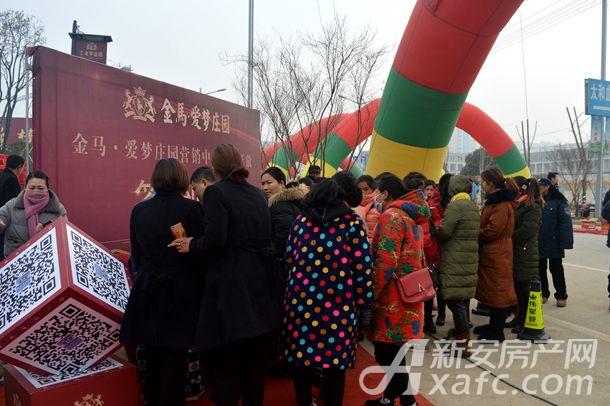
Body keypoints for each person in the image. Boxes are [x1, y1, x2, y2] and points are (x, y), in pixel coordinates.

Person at [170, 144, 279, 406]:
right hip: (259, 284)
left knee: (227, 364)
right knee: (254, 365)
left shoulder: (216, 192)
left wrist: (192, 244)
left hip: (231, 288)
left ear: (215, 167)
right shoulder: (257, 194)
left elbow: (216, 239)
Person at [280, 177, 373, 406]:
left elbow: (288, 259)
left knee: (301, 360)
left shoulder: (301, 222)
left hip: (300, 303)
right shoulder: (351, 223)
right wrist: (365, 303)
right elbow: (363, 268)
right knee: (335, 364)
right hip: (339, 306)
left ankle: (304, 402)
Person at [120, 159, 205, 406]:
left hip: (148, 290)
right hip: (181, 291)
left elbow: (136, 256)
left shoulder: (139, 210)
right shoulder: (193, 209)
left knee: (151, 355)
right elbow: (201, 253)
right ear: (182, 179)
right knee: (175, 359)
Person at [366, 174, 429, 406]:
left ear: (386, 193)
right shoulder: (410, 215)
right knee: (395, 355)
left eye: (376, 191)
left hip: (392, 297)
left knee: (386, 353)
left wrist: (370, 293)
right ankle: (405, 401)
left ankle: (393, 398)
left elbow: (386, 261)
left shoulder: (391, 216)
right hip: (409, 292)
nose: (374, 196)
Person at [436, 175, 479, 349]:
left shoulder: (455, 206)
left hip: (455, 258)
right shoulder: (472, 205)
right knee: (462, 298)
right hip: (468, 257)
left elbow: (445, 231)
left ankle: (463, 341)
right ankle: (461, 334)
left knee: (455, 302)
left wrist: (434, 227)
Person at [475, 167, 518, 342]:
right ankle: (493, 326)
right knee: (492, 290)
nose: (483, 185)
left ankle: (497, 331)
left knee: (499, 291)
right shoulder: (494, 202)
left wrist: (474, 232)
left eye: (484, 182)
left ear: (491, 183)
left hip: (498, 251)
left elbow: (493, 230)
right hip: (493, 251)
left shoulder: (501, 204)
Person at [403, 172, 440, 335]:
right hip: (421, 255)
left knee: (423, 289)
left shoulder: (426, 208)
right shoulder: (417, 208)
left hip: (424, 254)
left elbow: (435, 224)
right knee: (419, 289)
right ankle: (421, 322)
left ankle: (426, 320)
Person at [0, 171, 67, 257]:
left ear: (47, 188)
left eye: (41, 188)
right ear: (25, 187)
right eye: (32, 188)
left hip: (45, 259)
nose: (36, 191)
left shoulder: (58, 209)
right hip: (15, 259)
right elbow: (2, 216)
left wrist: (47, 233)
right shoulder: (12, 206)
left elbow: (64, 235)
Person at [262, 166, 308, 280]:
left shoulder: (279, 205)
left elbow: (283, 236)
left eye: (269, 183)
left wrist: (270, 253)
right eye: (263, 184)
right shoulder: (294, 201)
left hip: (282, 263)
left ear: (281, 183)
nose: (265, 187)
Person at [511, 177, 543, 334]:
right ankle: (518, 317)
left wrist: (509, 237)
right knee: (518, 287)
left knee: (525, 288)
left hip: (526, 252)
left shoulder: (533, 206)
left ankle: (525, 321)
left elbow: (527, 230)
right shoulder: (520, 204)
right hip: (518, 251)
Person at [538, 178, 573, 307]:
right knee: (540, 270)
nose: (538, 188)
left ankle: (561, 295)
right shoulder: (537, 200)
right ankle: (543, 294)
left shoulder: (559, 201)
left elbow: (565, 222)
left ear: (547, 187)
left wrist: (566, 242)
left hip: (555, 242)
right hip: (539, 241)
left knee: (556, 270)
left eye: (540, 186)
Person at [0, 155, 25, 259]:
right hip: (4, 220)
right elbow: (12, 204)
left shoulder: (1, 174)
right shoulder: (12, 180)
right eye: (22, 167)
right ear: (19, 167)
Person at [355, 175, 381, 241]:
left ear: (373, 190)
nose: (362, 192)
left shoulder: (379, 207)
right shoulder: (353, 206)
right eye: (359, 190)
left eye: (366, 189)